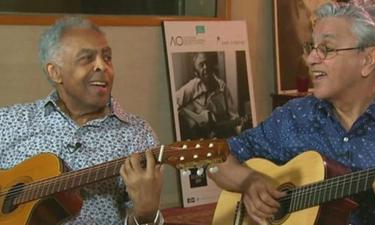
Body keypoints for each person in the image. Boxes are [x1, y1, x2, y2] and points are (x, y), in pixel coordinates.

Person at [209, 0, 375, 225]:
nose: (310, 60)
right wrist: (249, 181)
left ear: (368, 59)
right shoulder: (296, 115)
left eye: (326, 49)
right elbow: (216, 160)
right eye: (311, 48)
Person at [0, 16, 164, 225]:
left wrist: (146, 213)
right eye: (87, 58)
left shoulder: (137, 135)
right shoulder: (8, 121)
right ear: (55, 72)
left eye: (107, 57)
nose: (102, 66)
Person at [176, 51, 242, 140]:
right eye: (201, 65)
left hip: (220, 135)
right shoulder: (193, 86)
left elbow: (234, 117)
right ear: (196, 72)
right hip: (199, 139)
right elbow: (171, 105)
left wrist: (239, 129)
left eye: (207, 63)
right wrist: (190, 122)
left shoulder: (222, 87)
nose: (205, 67)